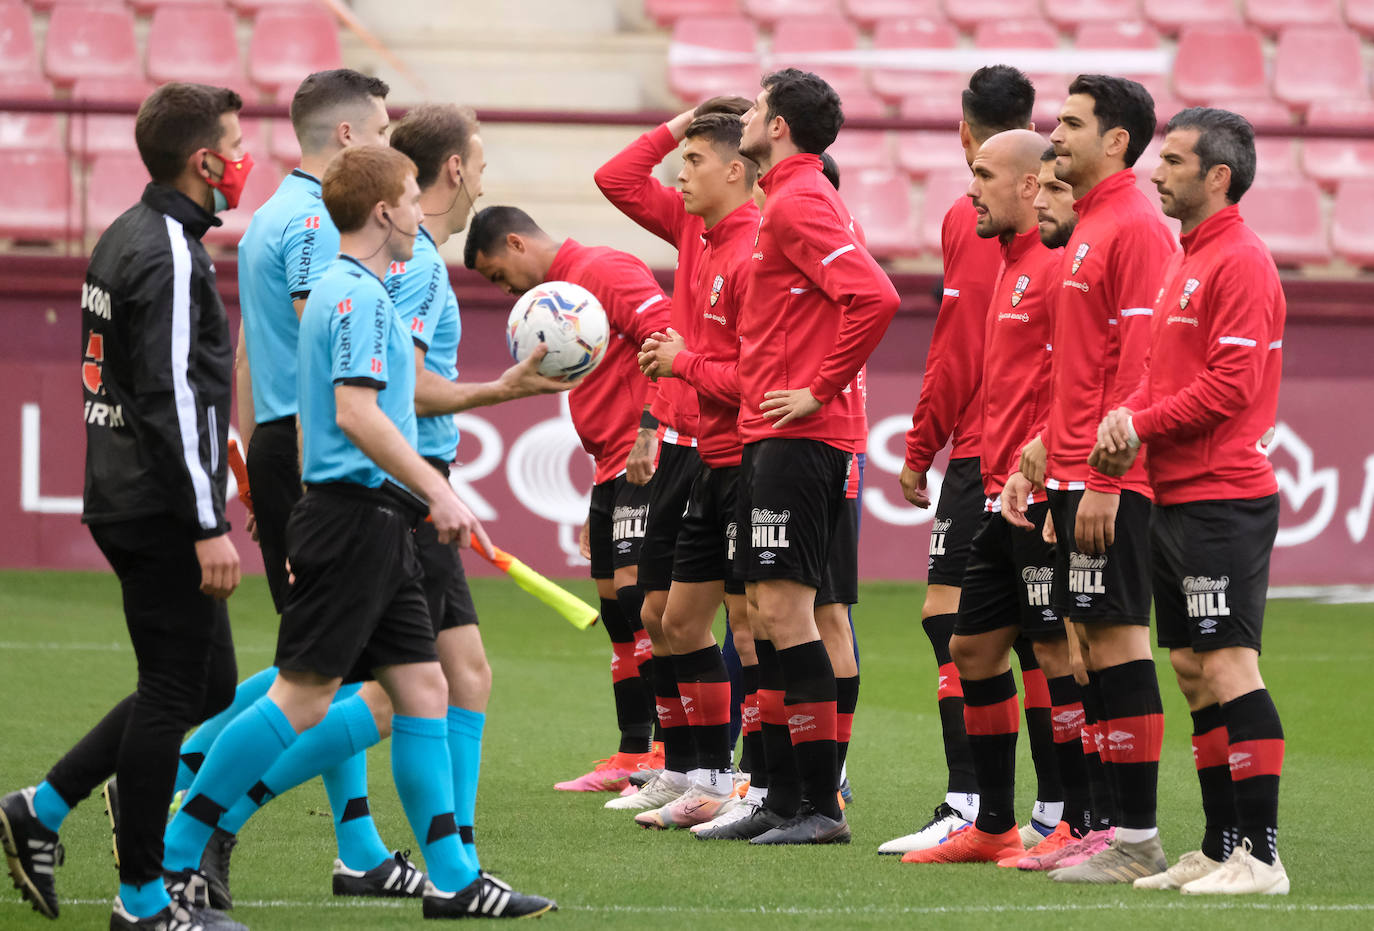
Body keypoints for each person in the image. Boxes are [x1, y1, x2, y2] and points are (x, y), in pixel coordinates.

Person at [161, 145, 555, 921]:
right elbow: (356, 412)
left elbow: (324, 421)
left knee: (422, 687)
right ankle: (176, 852)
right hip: (356, 518)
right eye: (411, 198)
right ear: (383, 211)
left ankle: (452, 878)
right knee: (305, 694)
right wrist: (437, 489)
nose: (420, 212)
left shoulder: (348, 289)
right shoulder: (362, 296)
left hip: (366, 515)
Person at [0, 82, 249, 931]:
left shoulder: (125, 234)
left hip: (130, 493)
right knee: (177, 686)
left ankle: (44, 805)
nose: (242, 155)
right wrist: (208, 519)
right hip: (160, 506)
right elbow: (171, 397)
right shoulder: (170, 252)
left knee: (207, 679)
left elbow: (165, 388)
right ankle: (142, 901)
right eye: (234, 140)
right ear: (201, 159)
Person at [165, 69, 414, 906]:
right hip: (317, 457)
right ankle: (197, 780)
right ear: (347, 136)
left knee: (331, 665)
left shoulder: (270, 213)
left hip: (284, 446)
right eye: (381, 127)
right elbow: (327, 354)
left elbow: (246, 351)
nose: (390, 139)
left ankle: (357, 844)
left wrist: (249, 461)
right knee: (321, 671)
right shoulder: (316, 224)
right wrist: (308, 480)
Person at [1091, 108, 1289, 895]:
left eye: (1172, 160)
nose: (1155, 171)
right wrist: (1126, 419)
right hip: (1177, 492)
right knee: (1190, 664)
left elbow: (1231, 386)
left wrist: (1138, 420)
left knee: (1230, 664)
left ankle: (1263, 857)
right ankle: (1219, 845)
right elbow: (1159, 374)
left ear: (1218, 176)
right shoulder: (1187, 258)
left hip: (1223, 494)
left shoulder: (1240, 259)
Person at [386, 102, 573, 871]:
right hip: (408, 486)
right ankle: (197, 788)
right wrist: (500, 391)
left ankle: (456, 844)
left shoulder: (407, 262)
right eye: (482, 164)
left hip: (425, 480)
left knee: (466, 671)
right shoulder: (422, 266)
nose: (483, 178)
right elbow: (402, 384)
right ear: (455, 169)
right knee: (354, 686)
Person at [730, 68, 900, 845]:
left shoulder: (799, 199)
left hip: (800, 437)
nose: (747, 114)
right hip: (774, 433)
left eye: (758, 106)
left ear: (781, 127)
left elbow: (875, 297)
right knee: (771, 612)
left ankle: (818, 806)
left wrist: (817, 390)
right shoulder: (786, 197)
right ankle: (784, 793)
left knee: (789, 612)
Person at [899, 130, 1075, 866]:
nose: (971, 188)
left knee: (1059, 651)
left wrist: (1046, 463)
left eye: (982, 174)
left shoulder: (1058, 266)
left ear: (1031, 185)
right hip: (998, 489)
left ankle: (1072, 816)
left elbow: (1082, 376)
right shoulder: (1006, 263)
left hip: (1039, 492)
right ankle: (996, 823)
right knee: (971, 643)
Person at [1026, 74, 1179, 884]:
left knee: (1118, 640)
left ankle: (1138, 837)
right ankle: (1110, 826)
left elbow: (1140, 366)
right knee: (1085, 643)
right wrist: (1046, 451)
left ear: (1116, 140)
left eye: (1073, 123)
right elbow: (1082, 367)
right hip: (1075, 467)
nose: (1056, 134)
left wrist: (1107, 478)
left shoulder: (1135, 227)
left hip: (1112, 476)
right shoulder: (1091, 223)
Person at [463, 206, 673, 793]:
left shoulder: (605, 269)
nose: (502, 289)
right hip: (610, 467)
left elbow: (668, 338)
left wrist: (651, 429)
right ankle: (633, 753)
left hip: (646, 457)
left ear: (515, 242)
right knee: (615, 610)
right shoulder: (562, 293)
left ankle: (668, 751)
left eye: (498, 274)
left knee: (641, 602)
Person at [592, 95, 751, 811]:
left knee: (731, 620)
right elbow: (615, 178)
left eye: (693, 161)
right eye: (680, 161)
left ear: (737, 169)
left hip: (729, 442)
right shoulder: (693, 224)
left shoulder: (756, 240)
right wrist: (681, 123)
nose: (679, 174)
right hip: (684, 438)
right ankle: (688, 771)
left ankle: (731, 775)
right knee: (657, 613)